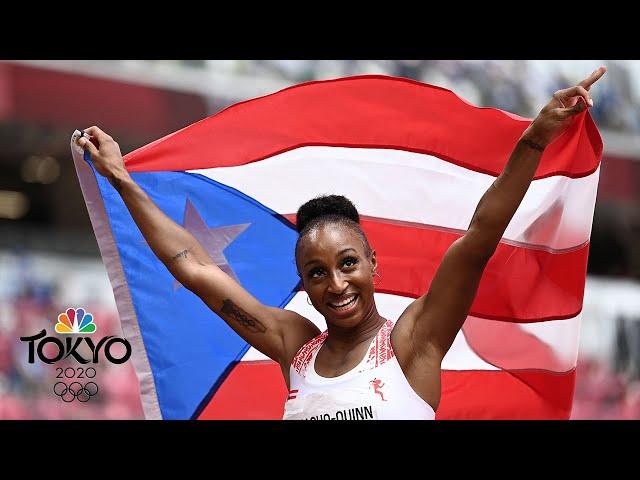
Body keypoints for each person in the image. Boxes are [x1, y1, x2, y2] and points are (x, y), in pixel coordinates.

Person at [77, 67, 606, 420]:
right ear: (303, 285)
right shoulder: (294, 347)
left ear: (373, 263)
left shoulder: (414, 341)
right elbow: (192, 266)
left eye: (347, 262)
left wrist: (534, 140)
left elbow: (480, 236)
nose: (336, 283)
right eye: (316, 273)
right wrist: (122, 180)